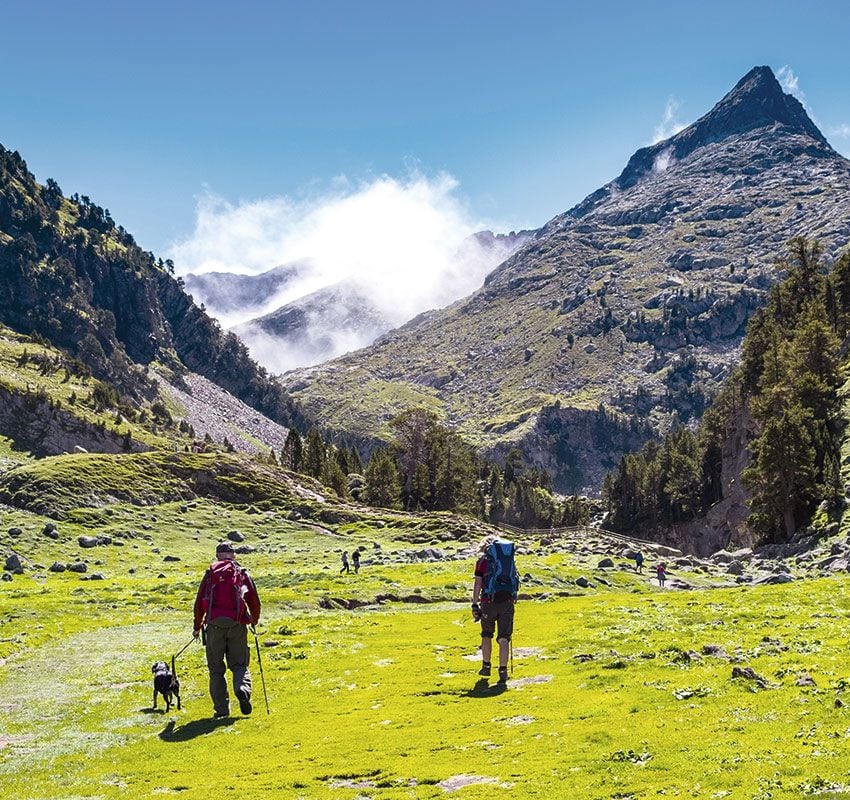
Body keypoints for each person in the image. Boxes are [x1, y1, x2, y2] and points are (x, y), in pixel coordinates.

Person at [193, 541, 261, 718]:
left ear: (217, 555)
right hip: (237, 625)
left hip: (214, 626)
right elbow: (253, 600)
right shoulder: (241, 573)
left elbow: (200, 601)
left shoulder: (210, 574)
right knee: (239, 664)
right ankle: (242, 689)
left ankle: (221, 710)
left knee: (216, 670)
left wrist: (197, 626)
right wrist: (253, 621)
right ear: (234, 555)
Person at [471, 535, 518, 685]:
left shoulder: (482, 562)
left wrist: (474, 603)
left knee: (486, 634)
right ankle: (503, 671)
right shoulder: (509, 561)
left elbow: (478, 584)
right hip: (507, 601)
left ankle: (486, 666)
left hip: (488, 602)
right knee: (504, 637)